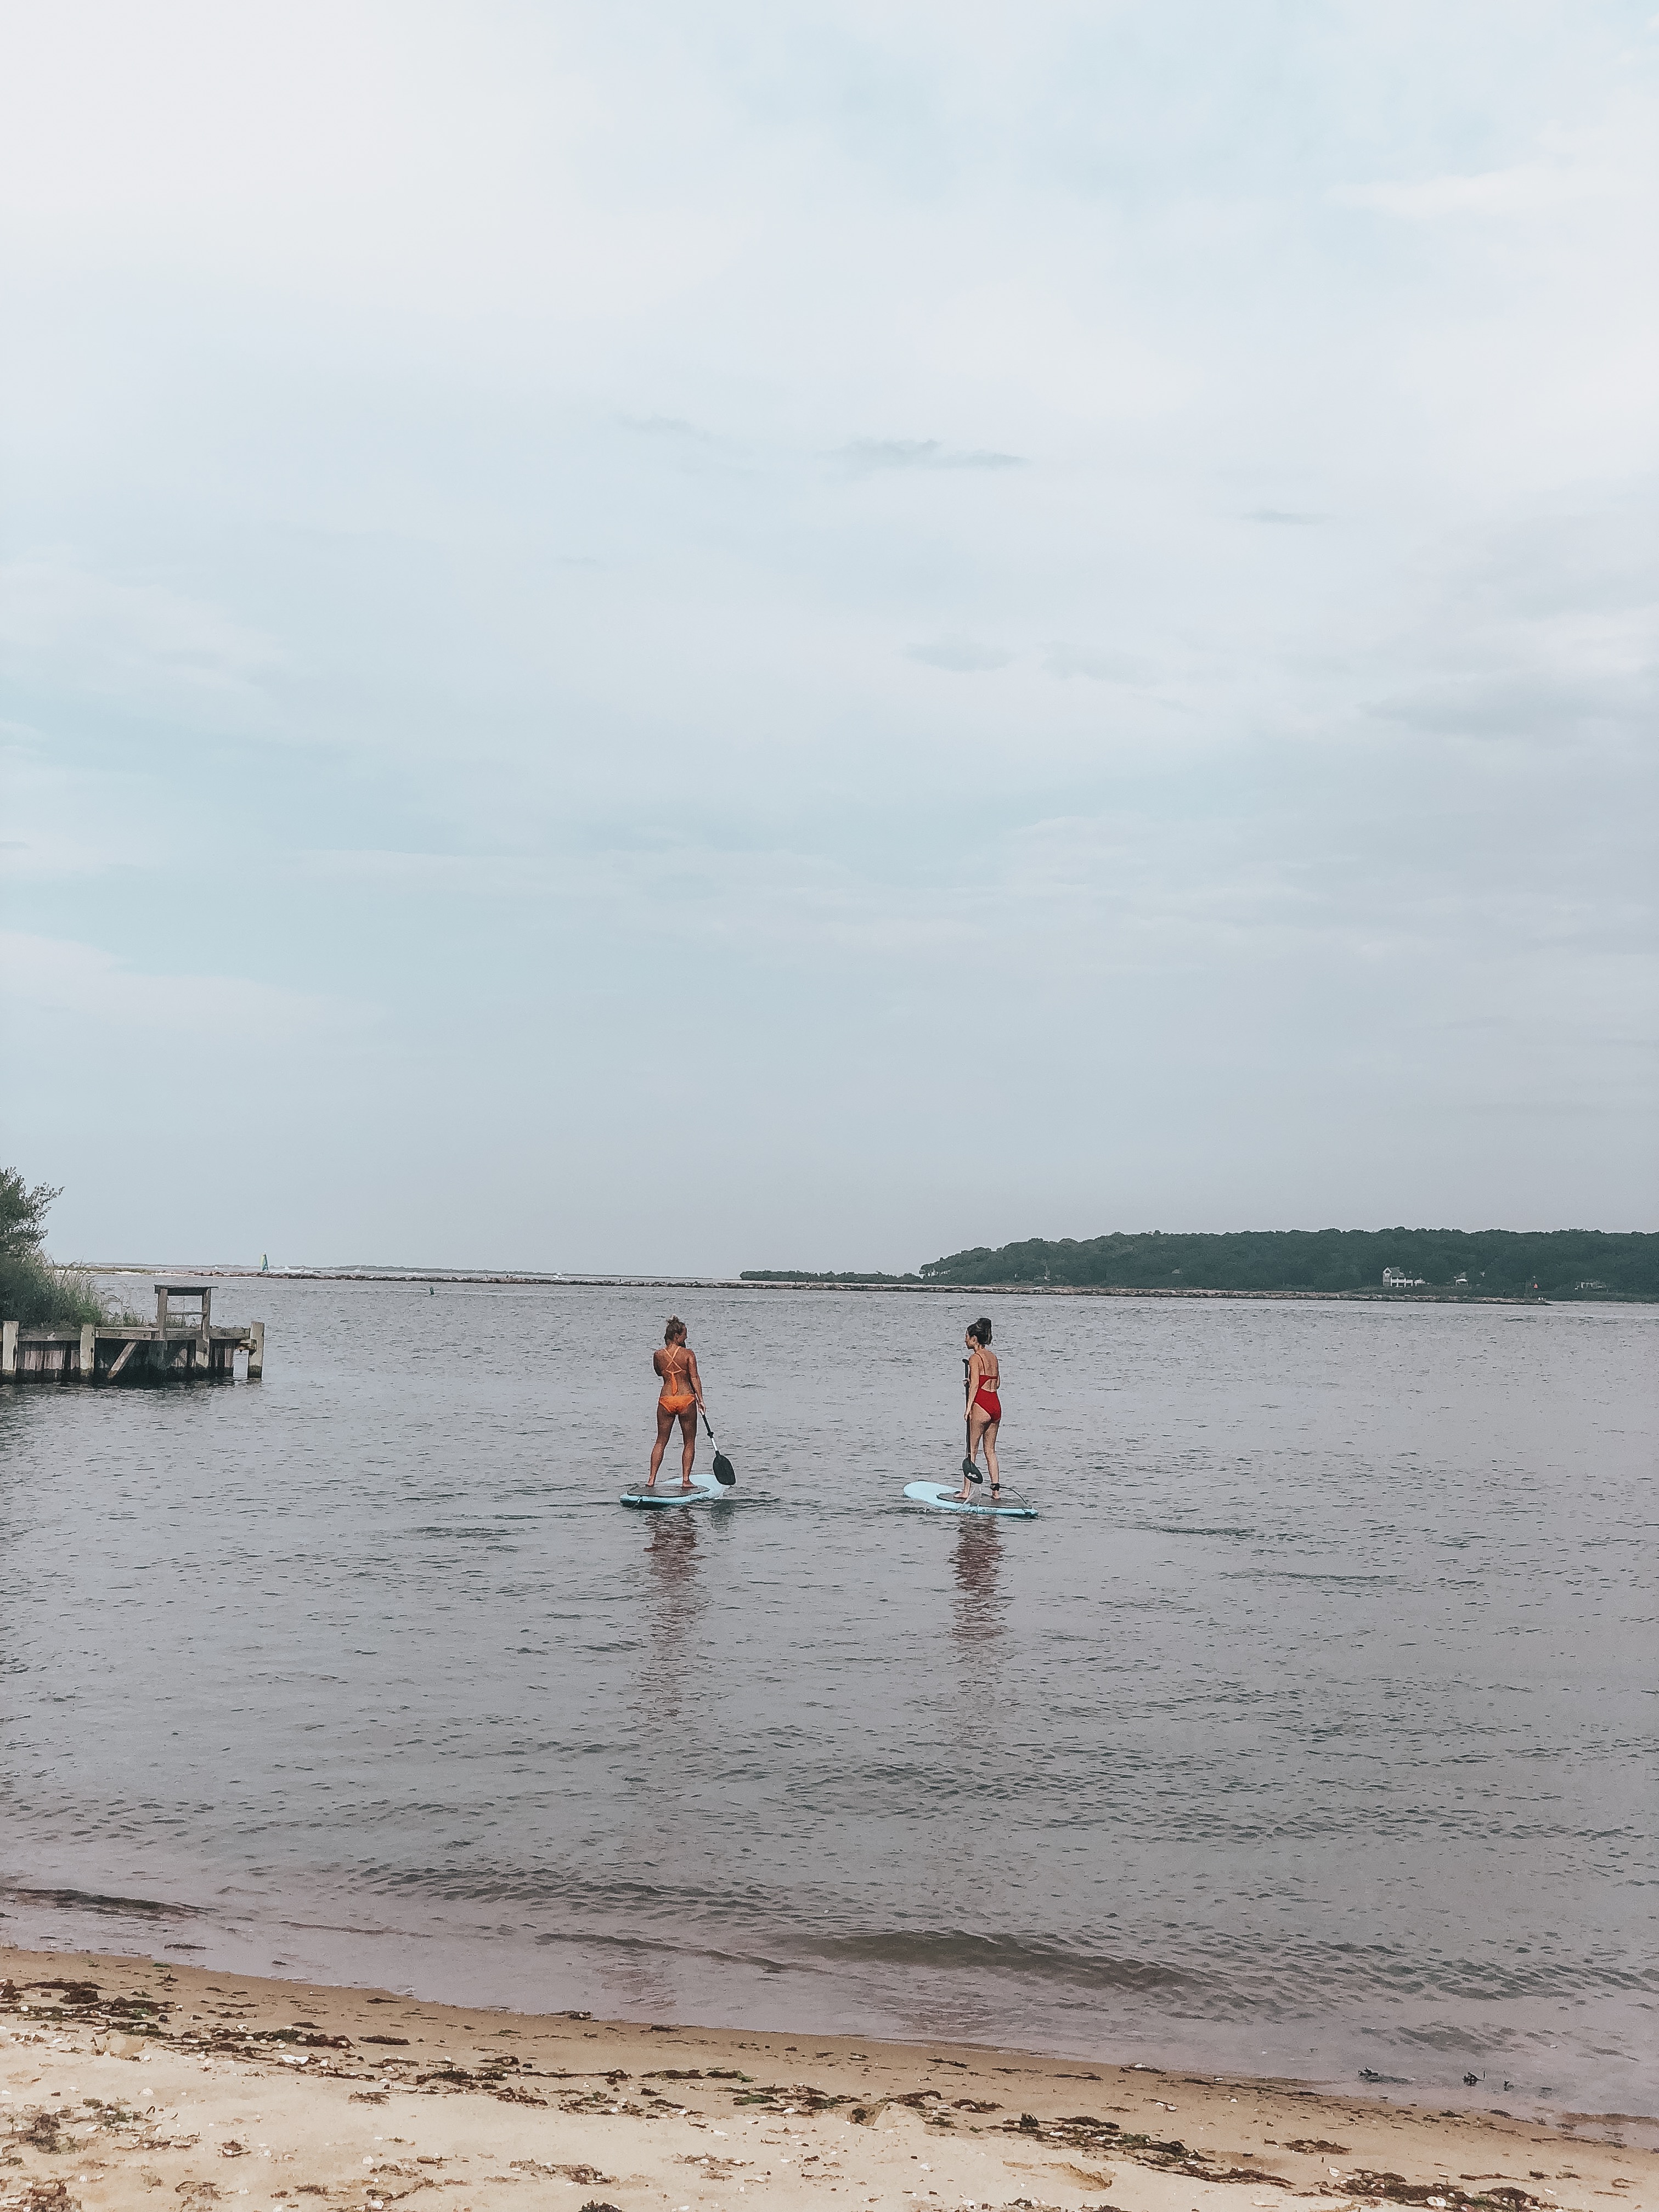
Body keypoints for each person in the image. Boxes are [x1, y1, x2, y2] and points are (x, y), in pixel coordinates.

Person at [948, 1317, 1002, 1504]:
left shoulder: (974, 1358)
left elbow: (975, 1387)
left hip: (981, 1405)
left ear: (974, 1339)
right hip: (995, 1404)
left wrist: (968, 1408)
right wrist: (974, 1381)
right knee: (991, 1451)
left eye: (966, 1337)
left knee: (971, 1451)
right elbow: (997, 1382)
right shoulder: (993, 1357)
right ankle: (996, 1492)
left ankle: (965, 1491)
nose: (965, 1340)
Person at [648, 1317, 705, 1492]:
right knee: (689, 1442)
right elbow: (694, 1377)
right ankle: (686, 1480)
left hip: (666, 1400)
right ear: (676, 1335)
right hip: (686, 1399)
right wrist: (701, 1400)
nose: (686, 1339)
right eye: (684, 1336)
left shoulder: (658, 1355)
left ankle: (651, 1479)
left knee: (660, 1441)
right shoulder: (689, 1355)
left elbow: (659, 1373)